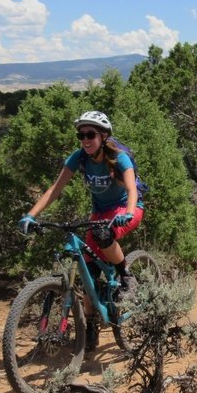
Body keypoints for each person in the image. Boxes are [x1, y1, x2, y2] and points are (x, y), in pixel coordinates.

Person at [17, 110, 144, 352]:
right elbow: (55, 189)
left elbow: (131, 188)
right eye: (81, 134)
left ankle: (126, 275)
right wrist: (31, 215)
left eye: (90, 134)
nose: (85, 139)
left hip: (126, 208)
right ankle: (91, 324)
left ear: (104, 136)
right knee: (89, 271)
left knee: (104, 235)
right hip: (99, 212)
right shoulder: (79, 158)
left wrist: (127, 213)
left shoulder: (119, 158)